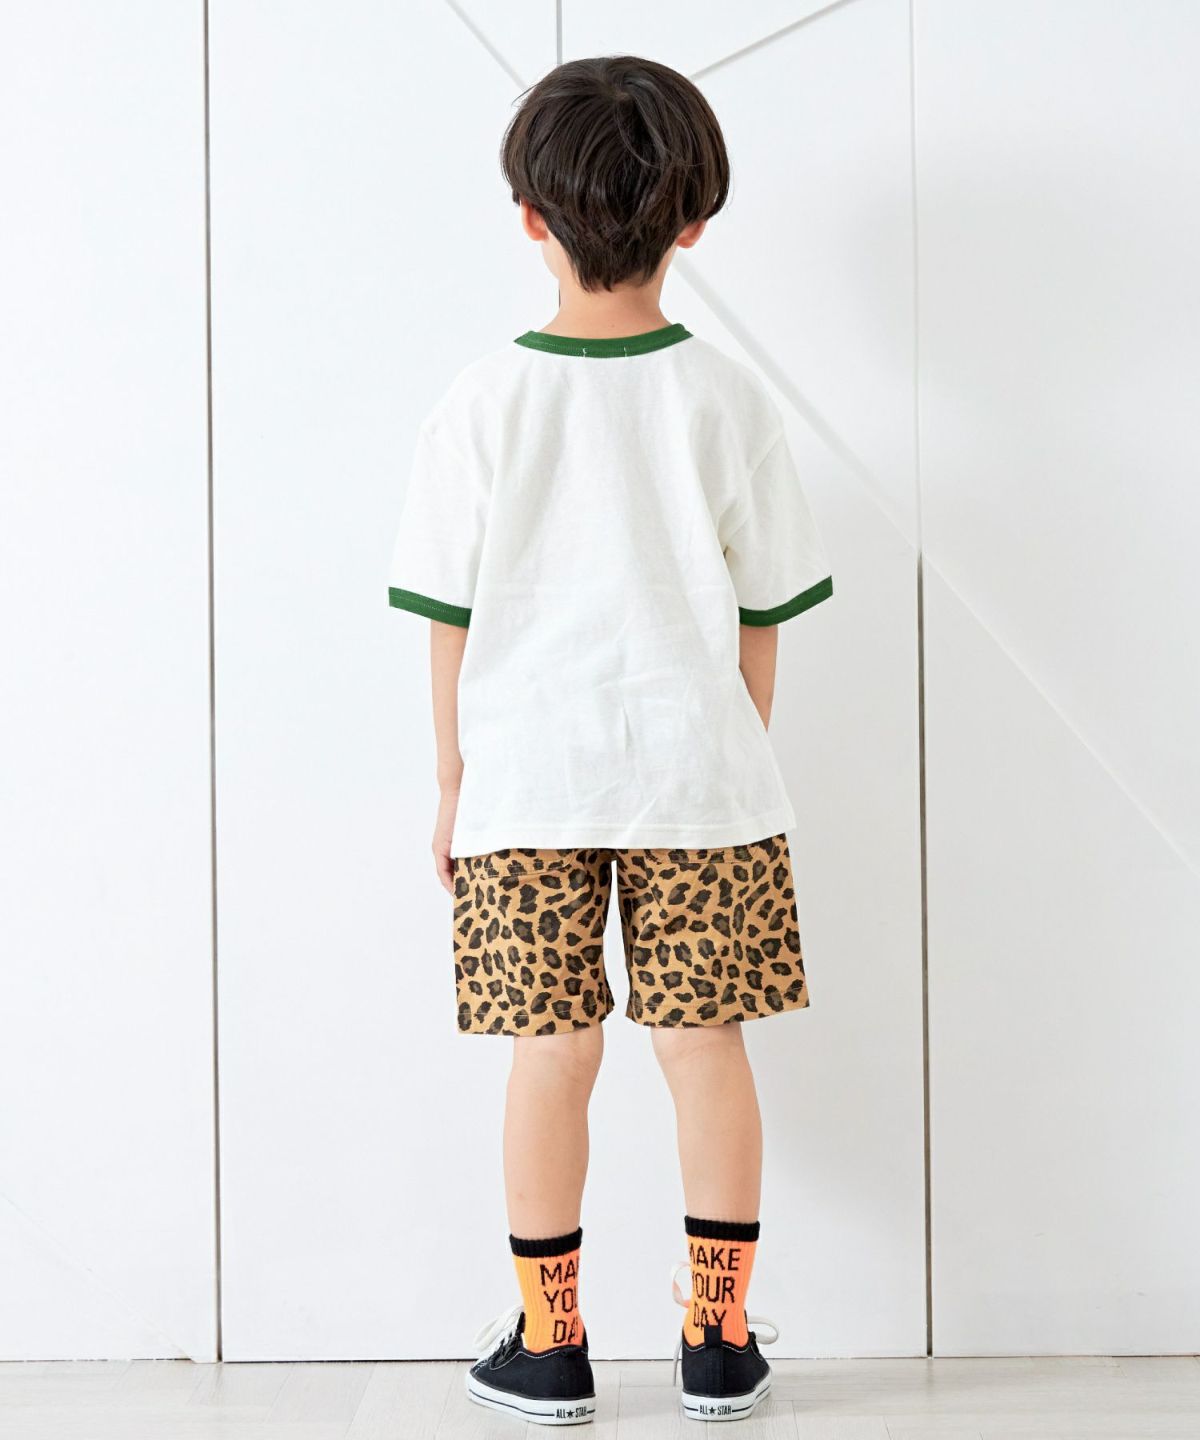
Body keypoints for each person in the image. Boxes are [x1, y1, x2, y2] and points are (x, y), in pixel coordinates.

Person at [387, 55, 832, 1426]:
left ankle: (550, 1343)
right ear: (695, 220)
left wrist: (454, 783)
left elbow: (449, 622)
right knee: (707, 1046)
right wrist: (727, 753)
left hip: (527, 789)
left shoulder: (482, 403)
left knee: (550, 1054)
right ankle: (718, 1338)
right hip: (702, 783)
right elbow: (764, 616)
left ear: (529, 215)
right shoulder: (730, 400)